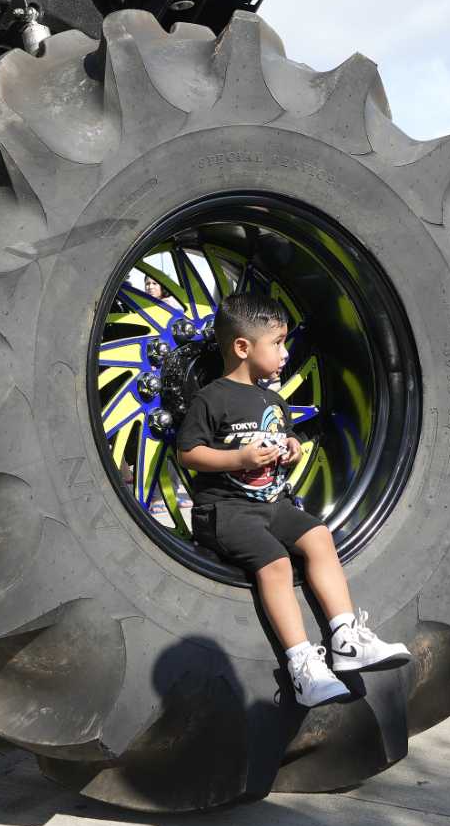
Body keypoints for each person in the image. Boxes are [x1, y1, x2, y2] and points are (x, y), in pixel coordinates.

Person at [175, 292, 411, 709]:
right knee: (276, 563)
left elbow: (281, 439)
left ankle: (346, 637)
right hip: (225, 511)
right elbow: (188, 453)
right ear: (243, 347)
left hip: (272, 505)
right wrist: (238, 457)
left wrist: (291, 447)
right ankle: (302, 666)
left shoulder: (273, 401)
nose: (286, 352)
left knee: (320, 536)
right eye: (278, 342)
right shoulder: (210, 398)